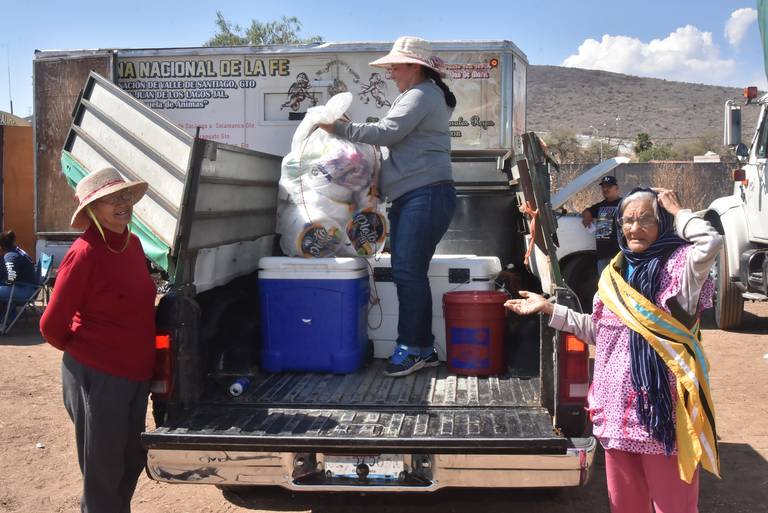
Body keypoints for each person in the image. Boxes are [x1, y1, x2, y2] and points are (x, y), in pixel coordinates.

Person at [506, 187, 721, 513]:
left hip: (662, 418)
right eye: (628, 220)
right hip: (616, 416)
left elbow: (711, 242)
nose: (635, 228)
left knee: (674, 508)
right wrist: (548, 309)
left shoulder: (680, 270)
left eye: (647, 219)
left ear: (663, 223)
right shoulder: (614, 275)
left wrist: (679, 213)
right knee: (625, 508)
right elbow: (601, 332)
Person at [319, 36, 457, 377]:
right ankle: (422, 347)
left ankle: (411, 348)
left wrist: (339, 127)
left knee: (408, 273)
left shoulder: (421, 94)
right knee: (411, 273)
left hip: (424, 195)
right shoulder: (422, 95)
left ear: (415, 67)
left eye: (395, 66)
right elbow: (393, 141)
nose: (391, 72)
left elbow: (386, 133)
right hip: (421, 195)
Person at [40, 167, 156, 513]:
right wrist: (92, 352)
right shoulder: (84, 253)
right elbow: (51, 325)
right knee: (103, 470)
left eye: (124, 196)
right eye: (109, 200)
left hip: (136, 373)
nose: (122, 204)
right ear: (92, 209)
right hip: (98, 375)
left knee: (131, 459)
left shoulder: (133, 245)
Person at [582, 175, 623, 276]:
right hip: (602, 254)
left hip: (618, 254)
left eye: (608, 186)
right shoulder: (600, 205)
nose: (605, 189)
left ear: (616, 188)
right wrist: (586, 214)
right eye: (603, 187)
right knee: (604, 283)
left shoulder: (623, 204)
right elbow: (587, 211)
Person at [0, 231, 37, 302]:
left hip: (25, 290)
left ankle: (8, 312)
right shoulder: (15, 250)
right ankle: (8, 312)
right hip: (27, 287)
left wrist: (2, 283)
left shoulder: (10, 256)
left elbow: (11, 278)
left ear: (1, 247)